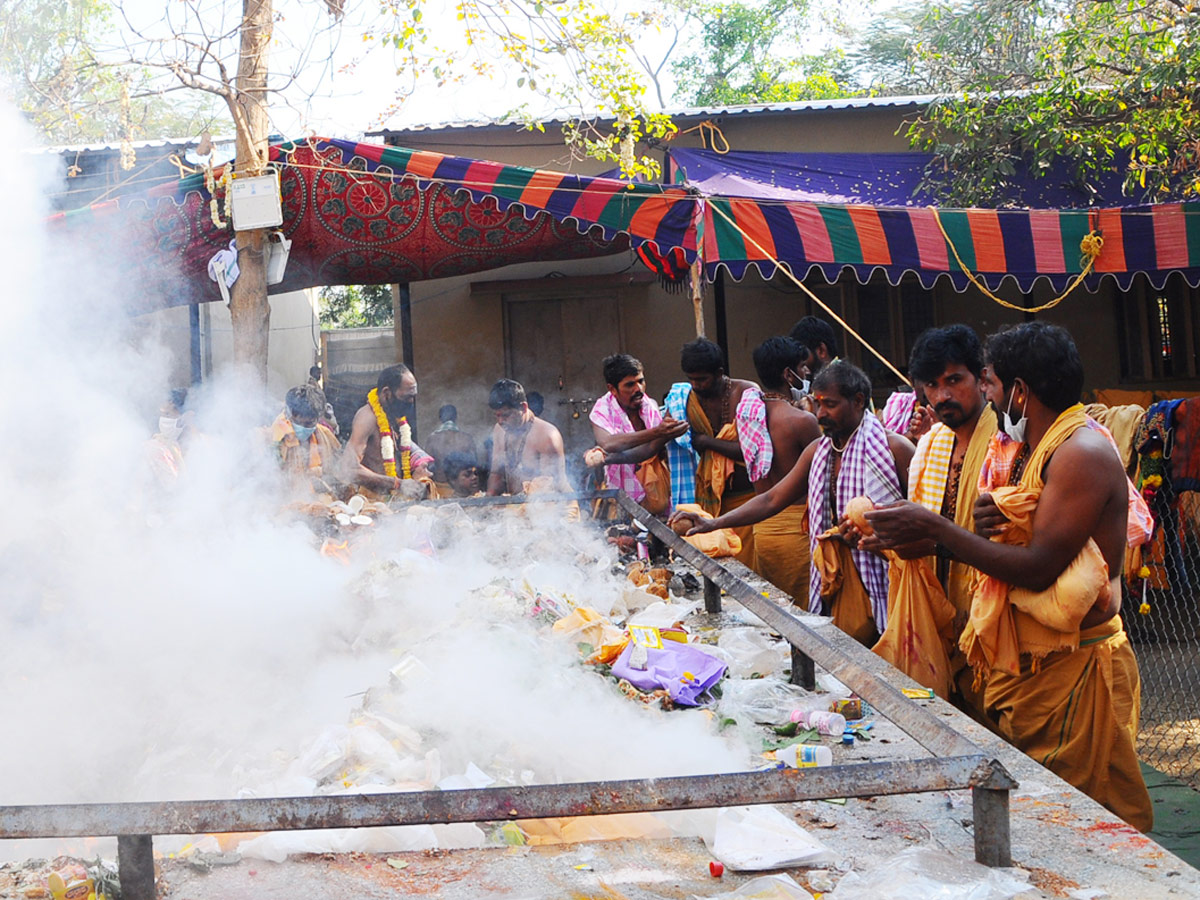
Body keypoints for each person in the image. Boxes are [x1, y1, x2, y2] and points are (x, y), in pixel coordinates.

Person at [864, 322, 1154, 832]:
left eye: (990, 384)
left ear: (1019, 390)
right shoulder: (1026, 449)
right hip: (1033, 664)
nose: (989, 397)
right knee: (1040, 817)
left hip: (1074, 663)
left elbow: (1041, 568)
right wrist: (931, 540)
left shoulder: (1080, 452)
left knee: (1081, 821)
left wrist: (937, 530)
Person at [674, 361, 913, 645]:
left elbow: (923, 521)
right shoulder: (820, 451)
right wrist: (714, 523)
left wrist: (883, 538)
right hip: (840, 576)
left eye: (831, 405)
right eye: (818, 404)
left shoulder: (896, 449)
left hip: (894, 580)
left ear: (859, 401)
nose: (821, 413)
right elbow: (773, 498)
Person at [870, 325, 997, 711]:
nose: (943, 395)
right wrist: (887, 540)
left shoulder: (1007, 440)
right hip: (942, 614)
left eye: (954, 380)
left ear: (981, 379)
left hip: (993, 618)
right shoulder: (931, 443)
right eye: (931, 385)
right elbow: (926, 527)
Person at [735, 336, 821, 602]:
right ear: (788, 374)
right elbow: (822, 477)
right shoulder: (802, 421)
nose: (807, 373)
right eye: (803, 367)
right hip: (798, 532)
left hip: (762, 531)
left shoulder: (747, 415)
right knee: (809, 617)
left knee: (778, 616)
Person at [676, 338, 759, 566]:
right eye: (691, 379)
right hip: (714, 505)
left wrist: (707, 442)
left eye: (702, 379)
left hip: (749, 503)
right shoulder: (687, 399)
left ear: (720, 372)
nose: (696, 385)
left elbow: (751, 452)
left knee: (752, 575)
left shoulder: (746, 393)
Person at [586, 354, 687, 513]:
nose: (638, 389)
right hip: (620, 495)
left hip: (656, 493)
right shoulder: (601, 410)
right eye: (630, 385)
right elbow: (609, 443)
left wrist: (661, 433)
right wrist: (657, 431)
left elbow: (650, 449)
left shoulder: (650, 406)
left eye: (641, 381)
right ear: (612, 389)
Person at [339, 364, 434, 498]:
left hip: (395, 504)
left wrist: (418, 466)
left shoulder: (395, 417)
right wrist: (397, 484)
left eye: (413, 397)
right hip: (372, 505)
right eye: (407, 397)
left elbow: (405, 450)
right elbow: (348, 468)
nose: (411, 402)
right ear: (387, 393)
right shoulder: (367, 418)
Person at [486, 378, 570, 495]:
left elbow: (550, 489)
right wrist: (488, 505)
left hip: (555, 507)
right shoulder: (499, 430)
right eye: (497, 415)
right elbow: (496, 474)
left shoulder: (547, 436)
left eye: (506, 415)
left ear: (524, 407)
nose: (500, 421)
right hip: (518, 507)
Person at [269, 383, 343, 493]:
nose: (302, 427)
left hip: (319, 503)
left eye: (308, 424)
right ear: (288, 413)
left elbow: (338, 471)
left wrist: (326, 482)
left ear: (318, 419)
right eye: (298, 422)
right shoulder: (273, 438)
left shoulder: (326, 436)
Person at [425, 404, 478, 486]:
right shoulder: (467, 438)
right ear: (455, 417)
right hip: (462, 485)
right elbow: (474, 463)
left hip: (441, 485)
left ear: (440, 418)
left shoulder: (432, 439)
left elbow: (428, 466)